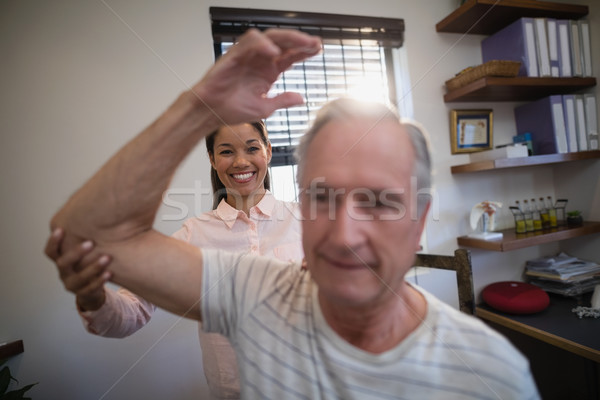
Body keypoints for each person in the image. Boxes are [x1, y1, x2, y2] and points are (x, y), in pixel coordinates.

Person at [46, 28, 540, 398]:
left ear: (420, 220)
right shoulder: (255, 291)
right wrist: (199, 105)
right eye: (323, 197)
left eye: (378, 200)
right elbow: (93, 238)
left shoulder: (491, 374)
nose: (345, 232)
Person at [54, 120, 303, 399]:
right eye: (226, 151)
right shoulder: (192, 235)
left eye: (252, 148)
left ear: (268, 152)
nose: (241, 161)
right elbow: (131, 311)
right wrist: (92, 297)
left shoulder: (307, 221)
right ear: (212, 159)